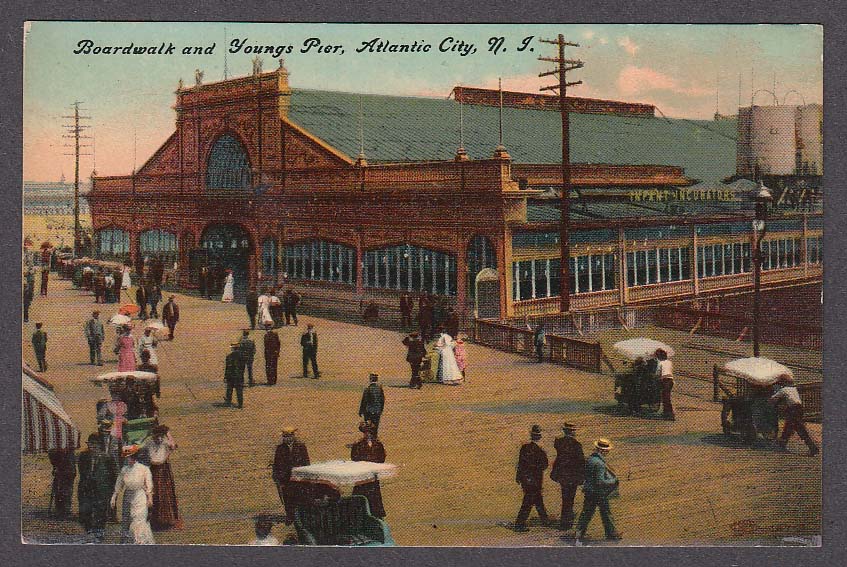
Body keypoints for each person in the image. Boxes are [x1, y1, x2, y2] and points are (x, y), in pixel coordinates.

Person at [574, 438, 621, 542]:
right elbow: (600, 482)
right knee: (606, 513)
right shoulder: (599, 464)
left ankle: (578, 534)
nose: (608, 452)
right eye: (607, 450)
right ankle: (612, 534)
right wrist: (613, 481)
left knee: (586, 513)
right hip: (599, 493)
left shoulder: (590, 459)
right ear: (602, 450)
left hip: (588, 491)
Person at [110, 444, 155, 544]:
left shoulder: (144, 469)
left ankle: (139, 542)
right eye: (126, 458)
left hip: (140, 497)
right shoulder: (124, 470)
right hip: (127, 498)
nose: (127, 460)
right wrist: (114, 497)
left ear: (134, 457)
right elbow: (118, 485)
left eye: (129, 457)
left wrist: (150, 499)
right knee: (126, 520)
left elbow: (149, 486)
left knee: (138, 520)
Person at [78, 433, 119, 540]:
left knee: (101, 512)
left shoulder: (107, 458)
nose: (93, 447)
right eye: (91, 445)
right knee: (86, 511)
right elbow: (82, 472)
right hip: (86, 489)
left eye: (95, 445)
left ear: (100, 446)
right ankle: (89, 531)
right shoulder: (83, 456)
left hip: (102, 490)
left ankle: (99, 533)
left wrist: (111, 490)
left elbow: (114, 475)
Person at [769, 374, 819, 456]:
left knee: (799, 428)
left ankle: (813, 448)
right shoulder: (793, 389)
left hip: (793, 410)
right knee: (789, 427)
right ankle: (782, 445)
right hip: (799, 409)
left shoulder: (784, 390)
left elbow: (773, 399)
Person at [143, 425, 182, 530]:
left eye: (161, 436)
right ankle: (155, 521)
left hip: (163, 471)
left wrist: (168, 433)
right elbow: (151, 458)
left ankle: (166, 520)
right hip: (153, 471)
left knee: (165, 494)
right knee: (154, 494)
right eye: (157, 436)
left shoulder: (165, 442)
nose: (159, 439)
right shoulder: (149, 443)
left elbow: (173, 446)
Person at [514, 425, 551, 532]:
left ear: (531, 436)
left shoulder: (524, 447)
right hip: (535, 481)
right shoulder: (540, 451)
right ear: (539, 437)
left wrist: (518, 477)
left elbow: (520, 464)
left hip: (525, 480)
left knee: (537, 499)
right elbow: (544, 465)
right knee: (529, 502)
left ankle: (545, 519)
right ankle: (519, 524)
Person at [550, 423, 585, 531]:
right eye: (574, 430)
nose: (575, 432)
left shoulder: (559, 442)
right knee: (570, 498)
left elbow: (556, 445)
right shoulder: (577, 444)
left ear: (565, 431)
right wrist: (582, 477)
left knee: (565, 498)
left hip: (562, 475)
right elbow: (581, 462)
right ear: (572, 432)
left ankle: (565, 521)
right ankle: (567, 522)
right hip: (573, 476)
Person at [272, 427, 310, 524]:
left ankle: (302, 517)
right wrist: (277, 477)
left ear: (293, 436)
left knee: (300, 498)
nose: (287, 439)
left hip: (298, 478)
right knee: (288, 499)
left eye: (289, 436)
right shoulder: (280, 448)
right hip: (286, 479)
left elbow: (306, 462)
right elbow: (276, 464)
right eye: (285, 437)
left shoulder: (301, 447)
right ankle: (290, 517)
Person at [350, 421, 387, 518]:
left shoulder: (377, 444)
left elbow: (382, 457)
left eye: (369, 432)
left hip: (372, 474)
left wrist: (374, 465)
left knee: (374, 495)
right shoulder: (358, 445)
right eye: (366, 432)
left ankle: (376, 513)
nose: (367, 434)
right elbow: (354, 458)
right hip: (362, 474)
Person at [48, 448, 76, 519]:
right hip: (62, 475)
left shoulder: (69, 454)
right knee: (59, 492)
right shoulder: (55, 453)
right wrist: (55, 470)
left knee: (66, 492)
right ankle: (60, 511)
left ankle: (65, 511)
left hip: (68, 474)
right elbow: (54, 466)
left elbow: (72, 469)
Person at [655, 349, 674, 420]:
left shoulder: (660, 363)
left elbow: (657, 373)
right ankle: (667, 412)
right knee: (667, 397)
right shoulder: (669, 362)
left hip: (665, 381)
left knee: (665, 398)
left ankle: (669, 414)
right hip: (670, 380)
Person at [224, 342, 245, 408]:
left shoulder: (229, 356)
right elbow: (243, 367)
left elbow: (227, 368)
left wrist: (225, 377)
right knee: (239, 390)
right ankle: (240, 404)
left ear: (232, 349)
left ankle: (228, 402)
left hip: (231, 376)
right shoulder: (242, 356)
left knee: (229, 389)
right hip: (239, 375)